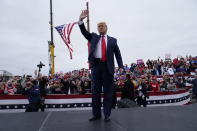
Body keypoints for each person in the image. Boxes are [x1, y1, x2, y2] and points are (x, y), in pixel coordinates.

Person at [78, 10, 124, 122]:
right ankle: (96, 114)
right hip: (96, 67)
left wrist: (121, 66)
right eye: (99, 26)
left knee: (108, 92)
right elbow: (84, 32)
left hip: (108, 67)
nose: (100, 27)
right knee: (95, 92)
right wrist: (80, 21)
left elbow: (117, 53)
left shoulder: (113, 40)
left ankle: (107, 114)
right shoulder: (93, 37)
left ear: (106, 27)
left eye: (102, 26)